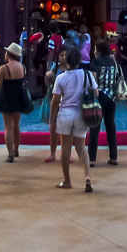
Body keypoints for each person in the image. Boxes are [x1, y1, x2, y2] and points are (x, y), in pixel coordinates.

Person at [49, 48, 94, 192]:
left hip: (65, 114)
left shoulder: (61, 77)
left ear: (66, 60)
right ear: (80, 60)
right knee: (81, 148)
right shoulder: (87, 75)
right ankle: (87, 177)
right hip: (82, 113)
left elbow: (55, 101)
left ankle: (67, 180)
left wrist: (52, 119)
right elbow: (96, 92)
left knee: (65, 148)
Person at [87, 40, 122, 165]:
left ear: (99, 50)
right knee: (110, 126)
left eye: (95, 49)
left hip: (99, 96)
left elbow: (93, 78)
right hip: (112, 98)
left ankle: (91, 159)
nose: (94, 51)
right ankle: (113, 157)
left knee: (94, 127)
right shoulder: (114, 62)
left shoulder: (96, 62)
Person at [0, 42, 29, 162]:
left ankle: (10, 154)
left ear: (9, 54)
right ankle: (16, 150)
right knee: (16, 125)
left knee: (8, 126)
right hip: (19, 96)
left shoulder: (4, 68)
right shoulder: (22, 67)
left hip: (7, 97)